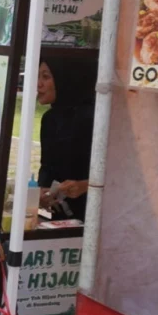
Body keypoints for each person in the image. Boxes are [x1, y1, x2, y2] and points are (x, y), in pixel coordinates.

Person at [36, 57, 98, 221]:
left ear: (65, 79)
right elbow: (47, 166)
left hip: (95, 216)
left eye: (46, 77)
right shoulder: (50, 119)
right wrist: (43, 191)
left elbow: (116, 172)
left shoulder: (93, 117)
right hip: (61, 216)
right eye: (38, 76)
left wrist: (84, 185)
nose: (38, 84)